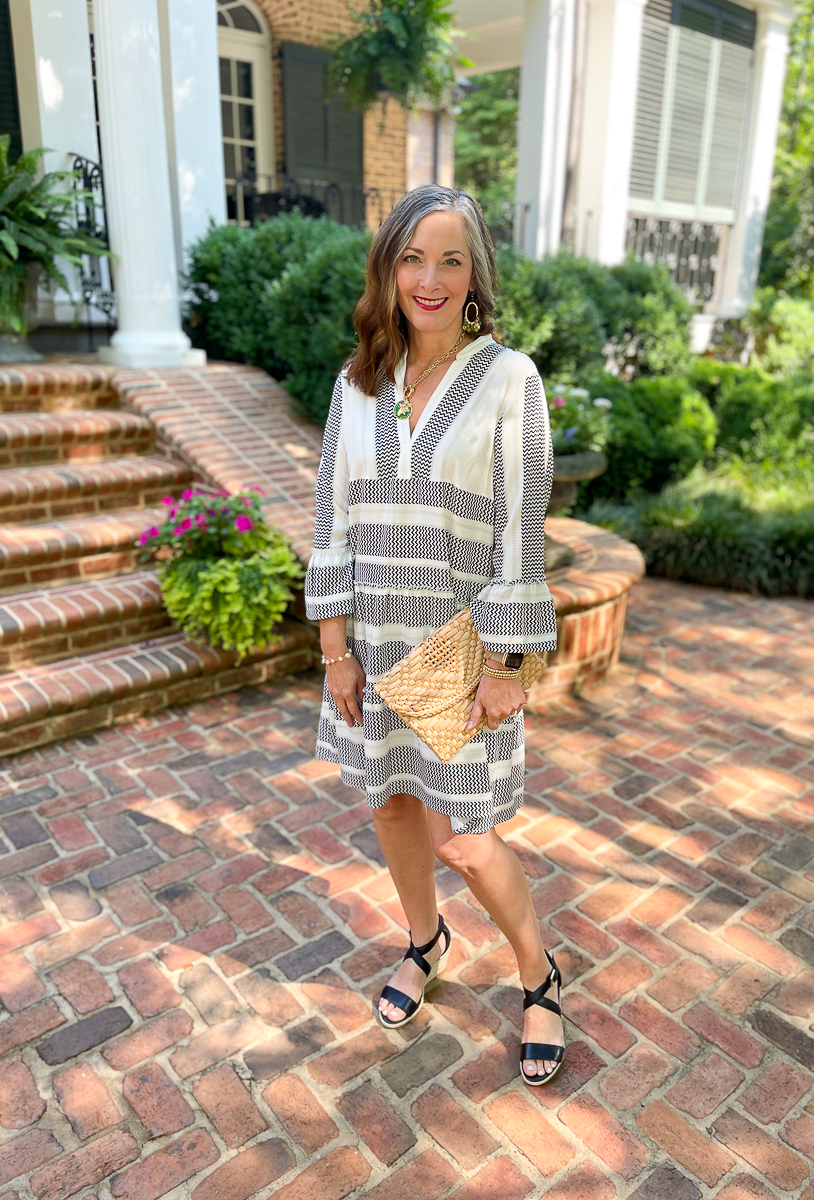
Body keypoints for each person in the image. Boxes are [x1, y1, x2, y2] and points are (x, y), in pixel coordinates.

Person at [304, 184, 564, 1085]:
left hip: (459, 644)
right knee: (389, 803)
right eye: (414, 257)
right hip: (374, 636)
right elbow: (330, 522)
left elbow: (519, 533)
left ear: (474, 276)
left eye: (451, 259)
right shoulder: (356, 383)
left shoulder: (508, 380)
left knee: (469, 836)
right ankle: (425, 939)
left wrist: (505, 662)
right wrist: (335, 650)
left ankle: (538, 974)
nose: (430, 277)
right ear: (389, 269)